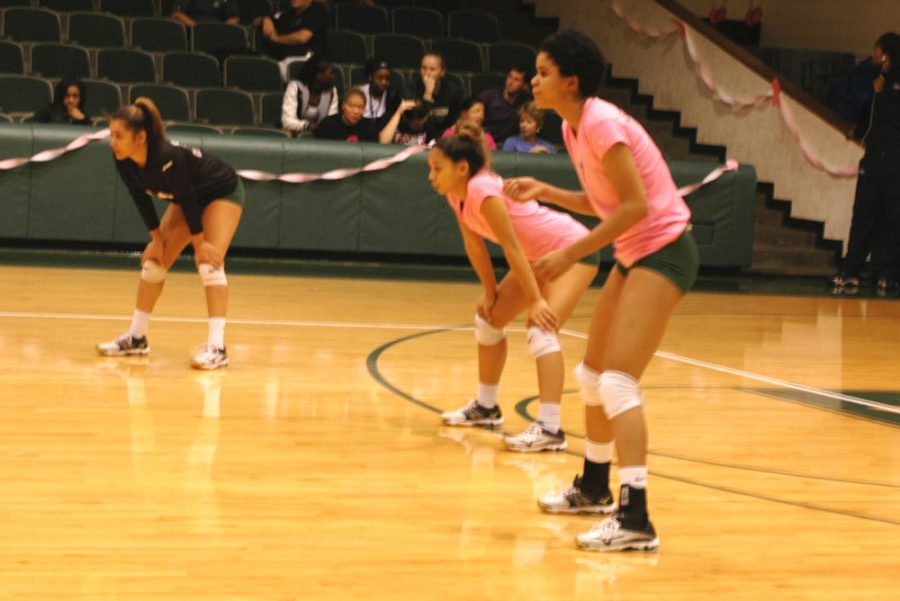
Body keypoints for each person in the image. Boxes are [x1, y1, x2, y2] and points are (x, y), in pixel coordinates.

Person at [503, 29, 698, 552]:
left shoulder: (603, 123)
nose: (533, 80)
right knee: (590, 376)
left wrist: (569, 252)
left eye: (542, 73)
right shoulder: (572, 128)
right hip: (635, 252)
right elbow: (607, 203)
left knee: (616, 382)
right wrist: (547, 191)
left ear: (571, 81)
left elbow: (635, 207)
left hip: (665, 250)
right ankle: (594, 487)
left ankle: (636, 518)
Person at [430, 122, 600, 452]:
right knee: (488, 320)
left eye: (437, 169)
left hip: (572, 250)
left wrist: (536, 301)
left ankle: (550, 428)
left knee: (541, 328)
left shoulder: (482, 190)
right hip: (538, 258)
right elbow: (474, 245)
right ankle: (486, 407)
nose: (431, 176)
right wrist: (490, 293)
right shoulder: (457, 195)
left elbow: (511, 247)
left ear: (462, 168)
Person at [96, 98, 245, 370]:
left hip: (221, 191)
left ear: (140, 137)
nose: (112, 142)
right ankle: (137, 339)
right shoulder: (124, 159)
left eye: (119, 136)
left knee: (209, 264)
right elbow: (139, 197)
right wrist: (156, 240)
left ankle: (217, 347)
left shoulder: (165, 156)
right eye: (111, 135)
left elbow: (189, 199)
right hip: (187, 197)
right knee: (154, 263)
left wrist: (201, 245)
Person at [832, 32, 900, 291]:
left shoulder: (889, 86)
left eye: (876, 48)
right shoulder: (877, 81)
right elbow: (871, 116)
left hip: (895, 161)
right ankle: (849, 270)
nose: (873, 53)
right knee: (862, 215)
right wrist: (857, 130)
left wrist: (884, 95)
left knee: (893, 219)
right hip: (873, 159)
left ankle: (888, 273)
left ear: (885, 53)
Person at [829, 33, 895, 125]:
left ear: (885, 56)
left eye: (876, 50)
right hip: (843, 109)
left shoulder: (885, 79)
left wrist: (880, 93)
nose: (873, 54)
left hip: (851, 116)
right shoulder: (868, 67)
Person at [261, 0, 329, 80]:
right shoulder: (290, 13)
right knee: (265, 69)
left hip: (307, 59)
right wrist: (266, 20)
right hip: (285, 58)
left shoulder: (317, 10)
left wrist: (277, 39)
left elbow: (302, 38)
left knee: (273, 72)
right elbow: (269, 19)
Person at [410, 52, 463, 142]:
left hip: (443, 139)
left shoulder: (453, 91)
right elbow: (417, 122)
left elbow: (453, 123)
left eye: (432, 69)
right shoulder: (412, 87)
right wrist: (428, 93)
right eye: (424, 68)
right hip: (416, 137)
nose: (427, 73)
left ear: (442, 72)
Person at [281, 56, 338, 136]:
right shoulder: (295, 87)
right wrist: (307, 126)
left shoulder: (332, 91)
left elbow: (332, 121)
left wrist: (320, 128)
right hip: (294, 134)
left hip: (321, 136)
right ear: (319, 76)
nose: (333, 77)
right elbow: (287, 122)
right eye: (331, 73)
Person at [478, 66, 531, 146]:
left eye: (516, 80)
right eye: (510, 77)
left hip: (509, 147)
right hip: (483, 143)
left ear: (525, 86)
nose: (510, 82)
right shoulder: (488, 97)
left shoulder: (526, 103)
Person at [314, 87, 378, 142]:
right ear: (343, 106)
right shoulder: (328, 124)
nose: (355, 111)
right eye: (351, 106)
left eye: (360, 107)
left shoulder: (370, 127)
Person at [360, 58, 402, 129]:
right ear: (370, 77)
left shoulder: (392, 97)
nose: (384, 82)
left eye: (387, 79)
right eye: (380, 78)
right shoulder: (360, 93)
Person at [171, 0, 240, 26]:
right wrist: (197, 28)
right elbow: (177, 14)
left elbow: (234, 17)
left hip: (219, 32)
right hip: (192, 30)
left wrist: (224, 30)